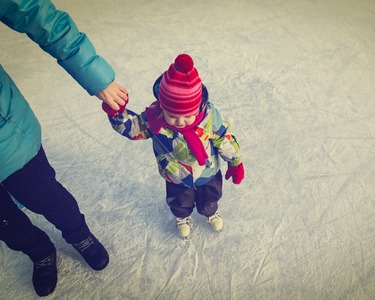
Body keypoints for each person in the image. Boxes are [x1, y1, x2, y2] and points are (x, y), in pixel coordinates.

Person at [0, 0, 128, 297]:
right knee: (5, 224)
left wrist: (94, 75)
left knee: (46, 196)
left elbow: (35, 12)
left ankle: (78, 234)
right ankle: (38, 249)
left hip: (6, 136)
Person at [102, 53, 244, 239]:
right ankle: (182, 217)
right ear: (162, 107)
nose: (180, 122)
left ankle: (210, 212)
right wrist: (117, 113)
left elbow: (223, 138)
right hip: (176, 174)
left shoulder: (209, 118)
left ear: (198, 108)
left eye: (187, 116)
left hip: (208, 171)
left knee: (210, 197)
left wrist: (235, 161)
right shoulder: (154, 120)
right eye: (173, 116)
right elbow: (132, 128)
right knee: (179, 201)